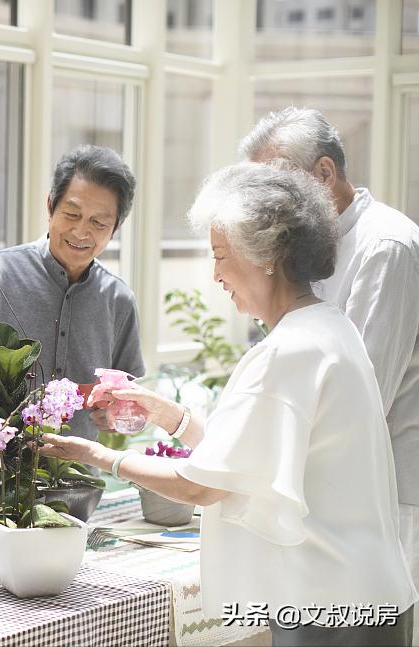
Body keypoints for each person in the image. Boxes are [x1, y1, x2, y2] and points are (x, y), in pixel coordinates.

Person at [39, 162, 417, 646]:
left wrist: (96, 454)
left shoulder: (287, 352)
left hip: (328, 607)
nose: (215, 274)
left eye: (219, 255)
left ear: (267, 255)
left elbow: (202, 487)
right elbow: (245, 457)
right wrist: (169, 416)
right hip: (363, 594)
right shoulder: (329, 329)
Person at [240, 107, 419, 642]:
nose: (266, 202)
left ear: (322, 174)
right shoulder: (310, 249)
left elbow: (363, 393)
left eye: (276, 183)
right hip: (327, 489)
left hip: (384, 491)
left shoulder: (384, 245)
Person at [0, 145, 144, 442]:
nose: (81, 232)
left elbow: (133, 396)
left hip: (78, 480)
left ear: (116, 227)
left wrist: (119, 412)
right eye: (72, 214)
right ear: (50, 206)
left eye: (98, 223)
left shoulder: (118, 299)